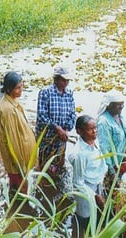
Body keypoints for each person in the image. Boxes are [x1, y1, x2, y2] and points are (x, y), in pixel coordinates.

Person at [35, 66, 76, 199]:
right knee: (45, 164)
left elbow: (72, 114)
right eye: (64, 80)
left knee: (59, 163)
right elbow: (41, 116)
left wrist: (66, 128)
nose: (66, 83)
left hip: (61, 138)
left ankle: (56, 186)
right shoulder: (45, 93)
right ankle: (44, 189)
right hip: (47, 138)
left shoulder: (69, 94)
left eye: (68, 80)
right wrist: (57, 128)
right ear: (56, 79)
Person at [0, 71, 36, 193]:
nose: (21, 90)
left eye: (21, 87)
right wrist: (20, 166)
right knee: (22, 188)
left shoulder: (13, 102)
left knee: (18, 186)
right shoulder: (8, 110)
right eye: (18, 88)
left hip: (22, 158)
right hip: (17, 162)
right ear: (8, 89)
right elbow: (13, 141)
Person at [69, 115, 107, 238]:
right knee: (84, 217)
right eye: (90, 129)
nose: (94, 131)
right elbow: (77, 182)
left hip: (96, 184)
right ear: (80, 131)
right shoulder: (81, 154)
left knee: (97, 215)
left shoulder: (95, 143)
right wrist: (94, 195)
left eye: (95, 128)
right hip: (85, 190)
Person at [97, 90, 126, 189]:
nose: (121, 107)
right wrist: (111, 171)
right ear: (109, 105)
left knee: (116, 188)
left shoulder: (120, 116)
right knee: (109, 189)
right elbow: (104, 148)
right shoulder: (104, 122)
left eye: (122, 104)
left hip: (120, 161)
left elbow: (125, 137)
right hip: (110, 165)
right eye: (118, 105)